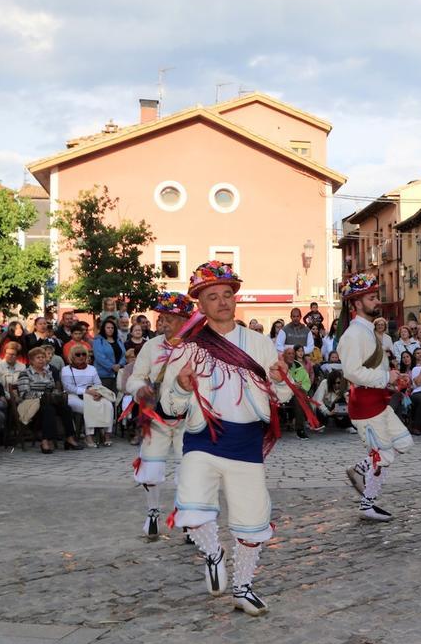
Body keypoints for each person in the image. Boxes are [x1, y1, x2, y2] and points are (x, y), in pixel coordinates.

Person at [160, 261, 295, 616]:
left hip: (246, 442)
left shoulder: (259, 343)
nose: (222, 302)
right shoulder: (188, 347)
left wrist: (281, 380)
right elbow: (169, 405)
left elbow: (280, 398)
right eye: (212, 297)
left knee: (252, 522)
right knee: (190, 512)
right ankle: (213, 553)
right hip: (202, 438)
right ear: (200, 306)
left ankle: (243, 588)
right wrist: (181, 385)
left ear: (235, 300)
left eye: (227, 295)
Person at [335, 273, 413, 522]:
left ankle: (364, 477)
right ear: (357, 303)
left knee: (403, 443)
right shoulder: (353, 335)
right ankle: (363, 489)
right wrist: (386, 379)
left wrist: (393, 377)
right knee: (384, 456)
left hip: (378, 401)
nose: (377, 301)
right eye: (371, 298)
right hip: (366, 406)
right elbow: (352, 372)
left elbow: (374, 369)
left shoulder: (368, 331)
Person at [127, 291, 195, 539]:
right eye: (161, 318)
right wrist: (139, 389)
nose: (162, 324)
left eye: (168, 318)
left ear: (185, 320)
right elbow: (134, 377)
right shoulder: (151, 346)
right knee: (151, 467)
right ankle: (153, 513)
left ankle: (188, 519)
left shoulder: (197, 348)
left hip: (188, 419)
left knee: (189, 470)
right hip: (155, 419)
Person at [63, 346, 109, 447]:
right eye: (78, 354)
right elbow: (69, 387)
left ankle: (106, 434)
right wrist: (87, 391)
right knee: (89, 408)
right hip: (73, 396)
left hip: (91, 395)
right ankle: (89, 436)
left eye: (84, 354)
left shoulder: (92, 369)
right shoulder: (66, 370)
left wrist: (98, 393)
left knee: (107, 404)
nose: (81, 356)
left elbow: (98, 384)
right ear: (72, 356)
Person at [93, 317, 127, 393]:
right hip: (104, 375)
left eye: (112, 328)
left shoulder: (118, 340)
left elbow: (124, 354)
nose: (110, 329)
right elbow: (99, 357)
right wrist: (112, 366)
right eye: (108, 328)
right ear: (103, 329)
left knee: (117, 398)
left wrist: (120, 364)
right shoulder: (98, 340)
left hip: (119, 373)